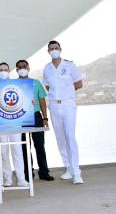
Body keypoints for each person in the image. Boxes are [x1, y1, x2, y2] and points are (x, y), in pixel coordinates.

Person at [43, 41, 84, 184]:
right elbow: (48, 86)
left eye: (56, 48)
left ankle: (76, 172)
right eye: (51, 49)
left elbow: (79, 83)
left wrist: (67, 92)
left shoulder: (70, 65)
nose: (54, 50)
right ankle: (68, 167)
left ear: (60, 49)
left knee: (70, 136)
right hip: (54, 105)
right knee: (60, 138)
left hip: (68, 104)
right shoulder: (47, 68)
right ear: (48, 51)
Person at [15, 59, 54, 182]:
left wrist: (45, 117)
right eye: (20, 67)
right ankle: (28, 172)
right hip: (20, 118)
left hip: (36, 116)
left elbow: (42, 101)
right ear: (16, 70)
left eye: (24, 66)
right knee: (25, 146)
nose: (22, 68)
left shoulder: (36, 83)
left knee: (40, 145)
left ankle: (44, 172)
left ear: (28, 68)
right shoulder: (13, 84)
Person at [0, 62, 29, 188]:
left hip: (16, 122)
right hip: (0, 123)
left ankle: (21, 178)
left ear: (9, 71)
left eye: (5, 69)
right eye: (1, 70)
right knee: (3, 152)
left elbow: (24, 101)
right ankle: (7, 179)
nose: (3, 71)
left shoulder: (16, 84)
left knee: (17, 150)